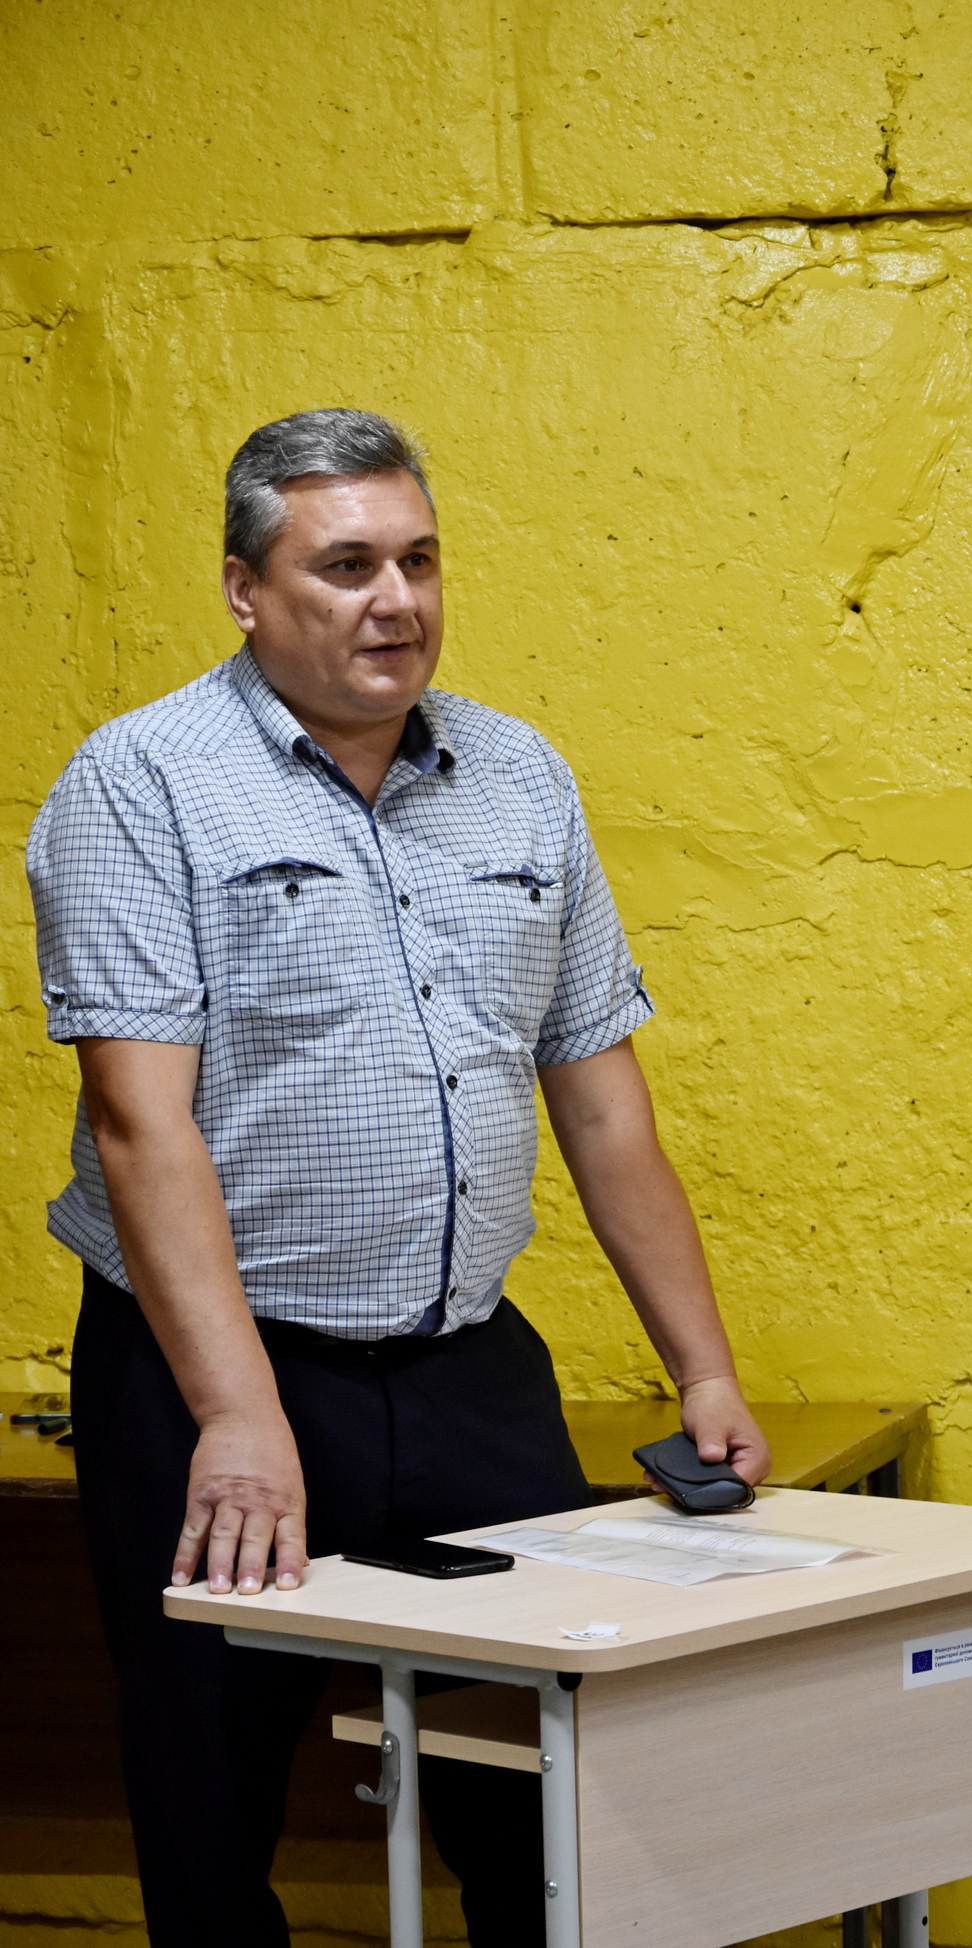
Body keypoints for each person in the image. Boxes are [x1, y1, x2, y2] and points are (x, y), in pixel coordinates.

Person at [26, 409, 770, 1948]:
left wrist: (701, 1368)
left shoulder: (521, 775)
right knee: (214, 1799)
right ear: (245, 590)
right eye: (347, 565)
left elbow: (602, 1101)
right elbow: (140, 1125)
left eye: (419, 562)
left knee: (544, 1797)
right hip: (213, 1370)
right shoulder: (142, 782)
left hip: (461, 1367)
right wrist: (239, 1417)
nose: (397, 601)